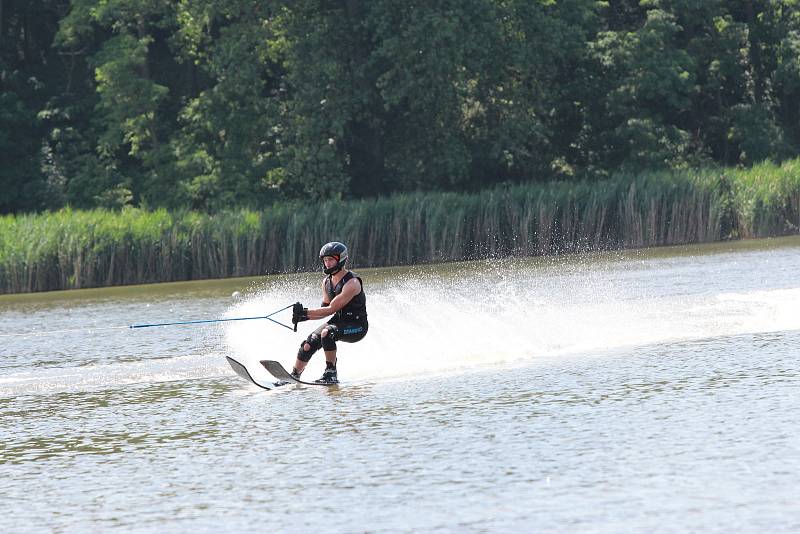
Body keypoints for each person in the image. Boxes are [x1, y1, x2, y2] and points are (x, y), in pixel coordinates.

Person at [289, 241, 368, 384]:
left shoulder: (352, 283)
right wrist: (302, 316)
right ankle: (294, 376)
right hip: (338, 321)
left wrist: (305, 313)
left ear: (341, 259)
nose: (327, 263)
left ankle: (331, 373)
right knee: (309, 343)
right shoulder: (326, 282)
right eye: (325, 260)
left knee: (327, 333)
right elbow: (324, 311)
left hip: (357, 326)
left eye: (330, 259)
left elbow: (331, 308)